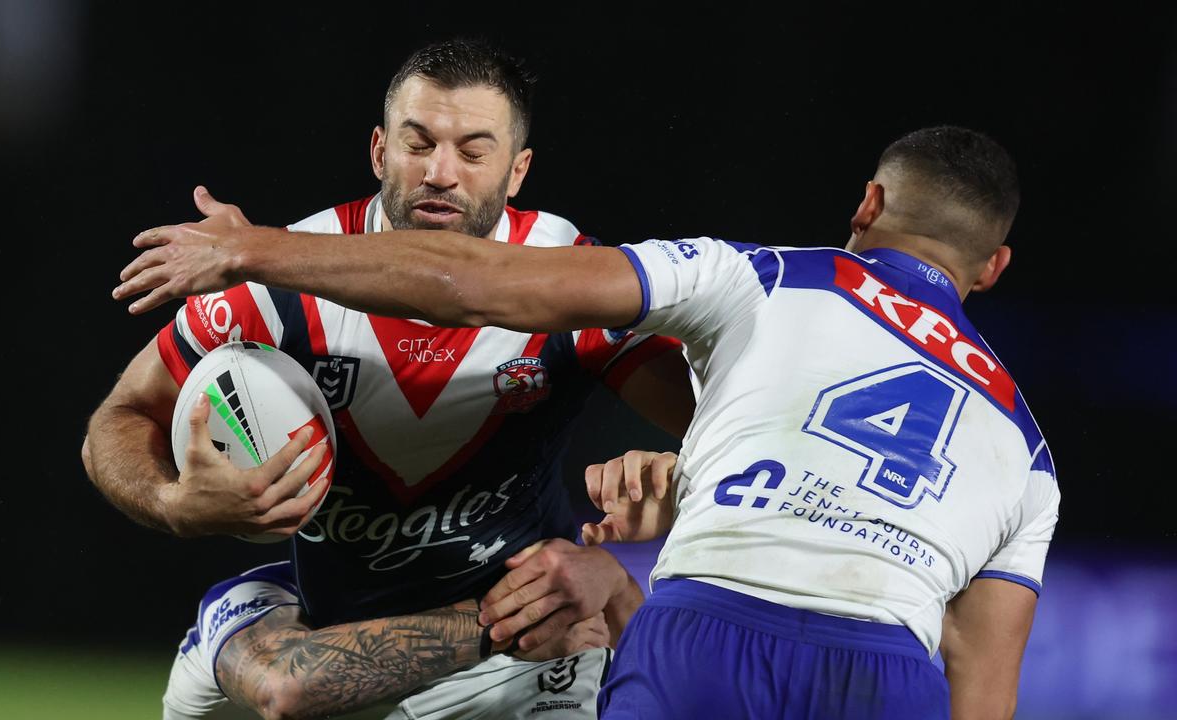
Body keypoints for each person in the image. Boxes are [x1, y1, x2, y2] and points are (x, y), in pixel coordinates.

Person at [114, 125, 1060, 719]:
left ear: (868, 205)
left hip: (708, 637)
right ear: (994, 267)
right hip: (887, 673)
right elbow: (982, 685)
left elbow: (471, 281)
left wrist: (251, 248)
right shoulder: (1029, 452)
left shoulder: (761, 274)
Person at [84, 39, 694, 719]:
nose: (440, 172)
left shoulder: (574, 282)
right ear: (379, 151)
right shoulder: (271, 290)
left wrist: (659, 516)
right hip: (334, 641)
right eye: (418, 143)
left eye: (473, 151)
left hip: (527, 652)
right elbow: (120, 418)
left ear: (516, 171)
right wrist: (173, 502)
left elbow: (754, 445)